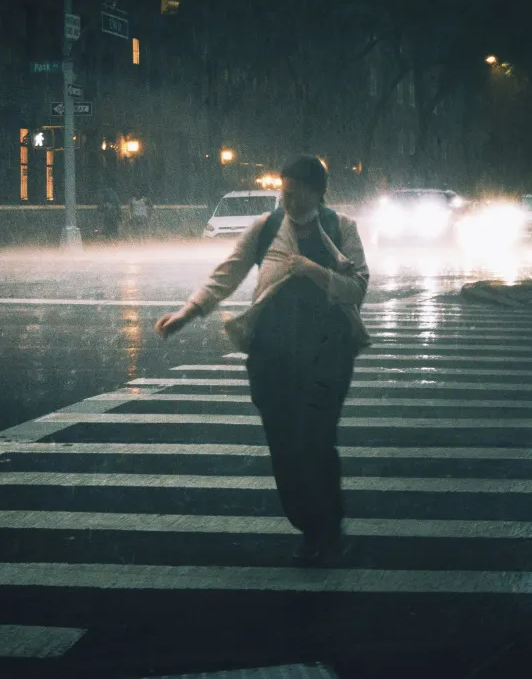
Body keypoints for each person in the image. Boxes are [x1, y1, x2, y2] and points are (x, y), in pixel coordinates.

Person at [155, 155, 371, 565]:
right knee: (285, 445)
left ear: (317, 191)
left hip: (327, 351)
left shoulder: (342, 228)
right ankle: (310, 523)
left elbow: (358, 288)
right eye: (283, 188)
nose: (286, 196)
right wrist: (188, 312)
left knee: (315, 439)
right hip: (272, 352)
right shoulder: (267, 227)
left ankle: (324, 531)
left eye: (295, 189)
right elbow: (229, 272)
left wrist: (314, 271)